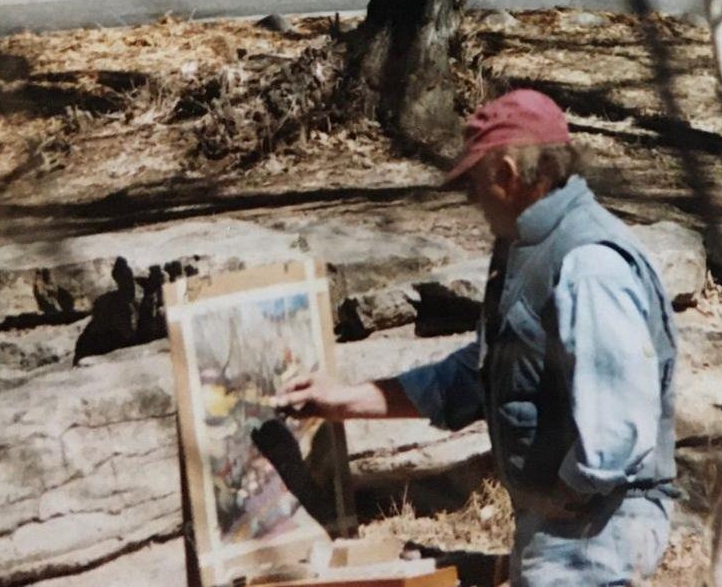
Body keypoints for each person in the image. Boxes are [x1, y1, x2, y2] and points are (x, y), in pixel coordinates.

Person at [275, 88, 677, 586]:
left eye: (476, 184)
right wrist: (346, 400)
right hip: (574, 527)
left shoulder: (586, 263)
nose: (473, 200)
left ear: (508, 175)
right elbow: (486, 371)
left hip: (593, 532)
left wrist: (560, 501)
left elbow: (619, 429)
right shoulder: (532, 248)